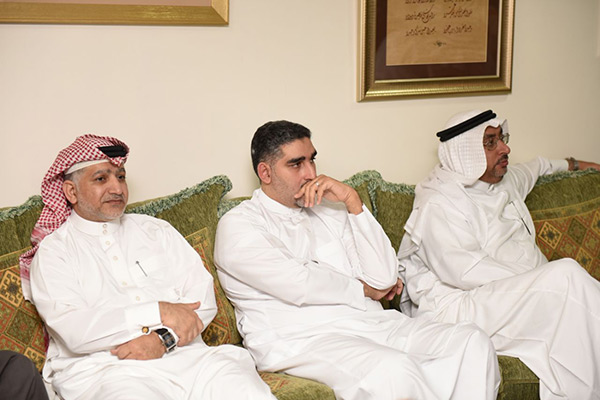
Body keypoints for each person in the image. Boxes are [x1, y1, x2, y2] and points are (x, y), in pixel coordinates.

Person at [214, 120, 500, 400]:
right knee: (394, 372)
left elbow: (384, 279)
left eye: (312, 160)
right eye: (296, 164)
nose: (311, 173)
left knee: (472, 342)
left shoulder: (329, 211)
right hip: (303, 339)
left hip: (372, 323)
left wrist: (352, 200)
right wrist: (363, 289)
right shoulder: (239, 224)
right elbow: (298, 283)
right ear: (265, 172)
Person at [21, 135, 275, 400]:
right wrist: (159, 310)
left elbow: (201, 299)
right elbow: (76, 331)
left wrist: (163, 339)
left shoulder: (156, 230)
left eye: (121, 177)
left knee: (239, 384)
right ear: (71, 192)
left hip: (189, 359)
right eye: (101, 179)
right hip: (108, 371)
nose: (117, 188)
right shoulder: (55, 252)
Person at [398, 109, 600, 400]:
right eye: (490, 142)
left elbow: (539, 166)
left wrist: (577, 164)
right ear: (465, 153)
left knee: (571, 303)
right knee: (565, 276)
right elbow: (466, 272)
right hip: (459, 308)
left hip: (513, 297)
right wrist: (541, 282)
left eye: (502, 138)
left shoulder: (505, 181)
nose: (505, 149)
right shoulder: (439, 202)